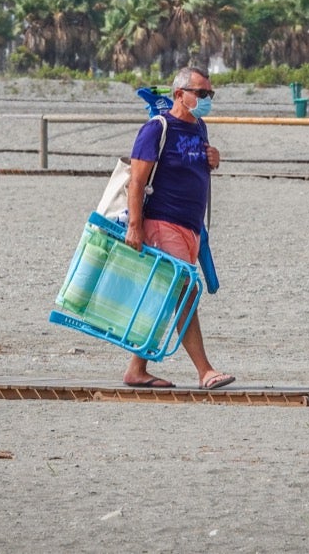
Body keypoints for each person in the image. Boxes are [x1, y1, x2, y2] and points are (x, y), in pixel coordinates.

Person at [121, 66, 235, 390]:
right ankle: (205, 371)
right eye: (201, 93)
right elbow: (136, 182)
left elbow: (196, 168)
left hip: (191, 227)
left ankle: (136, 369)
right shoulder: (157, 129)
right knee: (185, 291)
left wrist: (213, 158)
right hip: (162, 222)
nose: (206, 99)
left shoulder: (200, 128)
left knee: (162, 296)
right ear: (179, 94)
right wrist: (135, 227)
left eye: (209, 94)